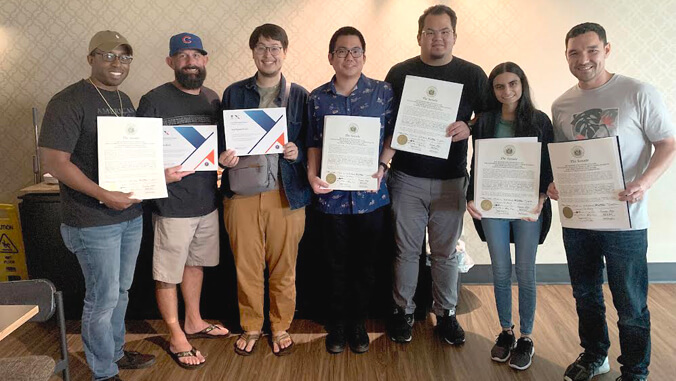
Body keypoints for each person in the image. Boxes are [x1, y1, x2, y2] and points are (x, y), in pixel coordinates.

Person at [548, 23, 675, 381]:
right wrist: (557, 183)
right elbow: (566, 157)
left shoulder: (637, 92)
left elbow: (668, 143)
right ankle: (594, 355)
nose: (583, 59)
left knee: (630, 303)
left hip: (626, 221)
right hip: (579, 219)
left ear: (606, 49)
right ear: (567, 56)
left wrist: (644, 182)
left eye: (591, 50)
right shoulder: (562, 104)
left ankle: (635, 370)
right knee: (585, 295)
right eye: (574, 52)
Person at [38, 30, 155, 381]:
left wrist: (155, 173)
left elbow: (130, 155)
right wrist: (104, 194)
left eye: (124, 57)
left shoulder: (124, 100)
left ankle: (115, 353)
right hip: (91, 220)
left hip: (130, 215)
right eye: (108, 55)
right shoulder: (68, 101)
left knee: (120, 292)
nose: (117, 63)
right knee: (101, 300)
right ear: (91, 58)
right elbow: (55, 162)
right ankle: (103, 371)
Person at [381, 4, 488, 345]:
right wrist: (382, 163)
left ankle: (446, 314)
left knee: (445, 253)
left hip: (451, 179)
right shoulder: (399, 73)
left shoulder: (472, 74)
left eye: (444, 32)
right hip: (406, 177)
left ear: (454, 36)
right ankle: (404, 312)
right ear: (419, 36)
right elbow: (385, 120)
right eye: (430, 32)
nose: (437, 38)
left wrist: (469, 127)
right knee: (406, 251)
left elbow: (489, 117)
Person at [218, 23, 311, 356]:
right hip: (242, 191)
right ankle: (252, 326)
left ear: (284, 52)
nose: (268, 54)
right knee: (246, 264)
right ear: (253, 52)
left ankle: (281, 325)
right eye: (261, 48)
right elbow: (222, 140)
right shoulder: (233, 92)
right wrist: (224, 156)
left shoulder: (300, 95)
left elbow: (311, 143)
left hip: (286, 193)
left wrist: (297, 152)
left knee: (284, 265)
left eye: (275, 48)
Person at [136, 32, 228, 369]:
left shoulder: (213, 99)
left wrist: (227, 157)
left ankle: (194, 320)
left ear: (205, 60)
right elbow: (138, 151)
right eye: (182, 56)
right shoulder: (154, 99)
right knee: (167, 272)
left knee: (195, 264)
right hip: (172, 205)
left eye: (195, 55)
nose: (190, 62)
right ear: (170, 62)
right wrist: (161, 174)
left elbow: (218, 147)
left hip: (207, 201)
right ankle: (176, 334)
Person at [306, 26, 393, 355]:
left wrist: (383, 166)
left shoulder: (382, 92)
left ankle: (358, 324)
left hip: (371, 196)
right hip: (331, 198)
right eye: (341, 51)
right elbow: (313, 143)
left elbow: (393, 136)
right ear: (330, 57)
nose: (349, 57)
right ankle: (338, 324)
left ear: (364, 56)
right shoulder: (317, 97)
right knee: (335, 264)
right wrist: (313, 176)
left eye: (355, 51)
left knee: (366, 265)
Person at [465, 62, 553, 370]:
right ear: (493, 90)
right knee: (500, 270)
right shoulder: (485, 121)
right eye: (500, 86)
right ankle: (506, 332)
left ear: (522, 85)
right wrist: (470, 197)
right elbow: (477, 163)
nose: (507, 91)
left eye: (513, 84)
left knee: (525, 271)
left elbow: (548, 164)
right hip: (493, 207)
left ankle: (526, 336)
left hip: (529, 206)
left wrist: (542, 198)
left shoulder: (540, 120)